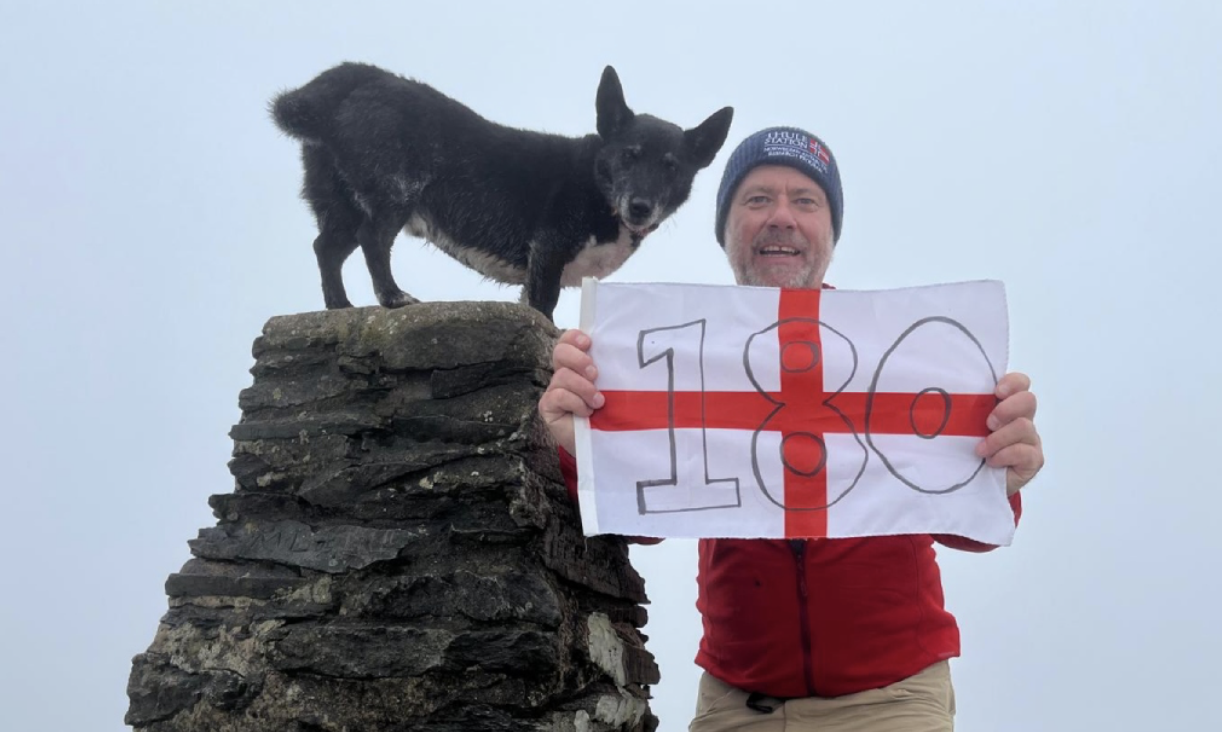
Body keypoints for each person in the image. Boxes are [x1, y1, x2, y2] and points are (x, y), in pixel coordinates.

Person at [538, 126, 1045, 732]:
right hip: (735, 705)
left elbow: (972, 533)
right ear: (725, 229)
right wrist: (575, 445)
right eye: (757, 200)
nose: (781, 217)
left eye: (806, 201)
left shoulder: (907, 357)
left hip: (891, 704)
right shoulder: (671, 350)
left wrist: (1006, 476)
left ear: (830, 232)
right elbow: (637, 519)